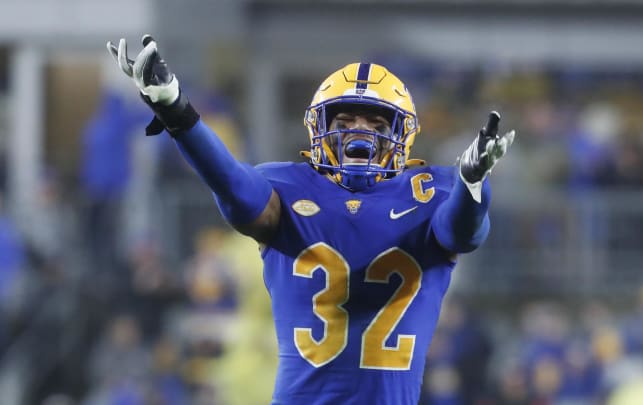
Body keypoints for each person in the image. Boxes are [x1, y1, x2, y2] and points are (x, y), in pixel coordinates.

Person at [106, 35, 515, 405]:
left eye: (376, 123)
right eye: (345, 121)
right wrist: (177, 110)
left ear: (403, 135)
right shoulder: (285, 187)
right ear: (318, 127)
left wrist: (472, 184)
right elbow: (232, 185)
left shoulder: (434, 191)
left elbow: (463, 231)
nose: (361, 133)